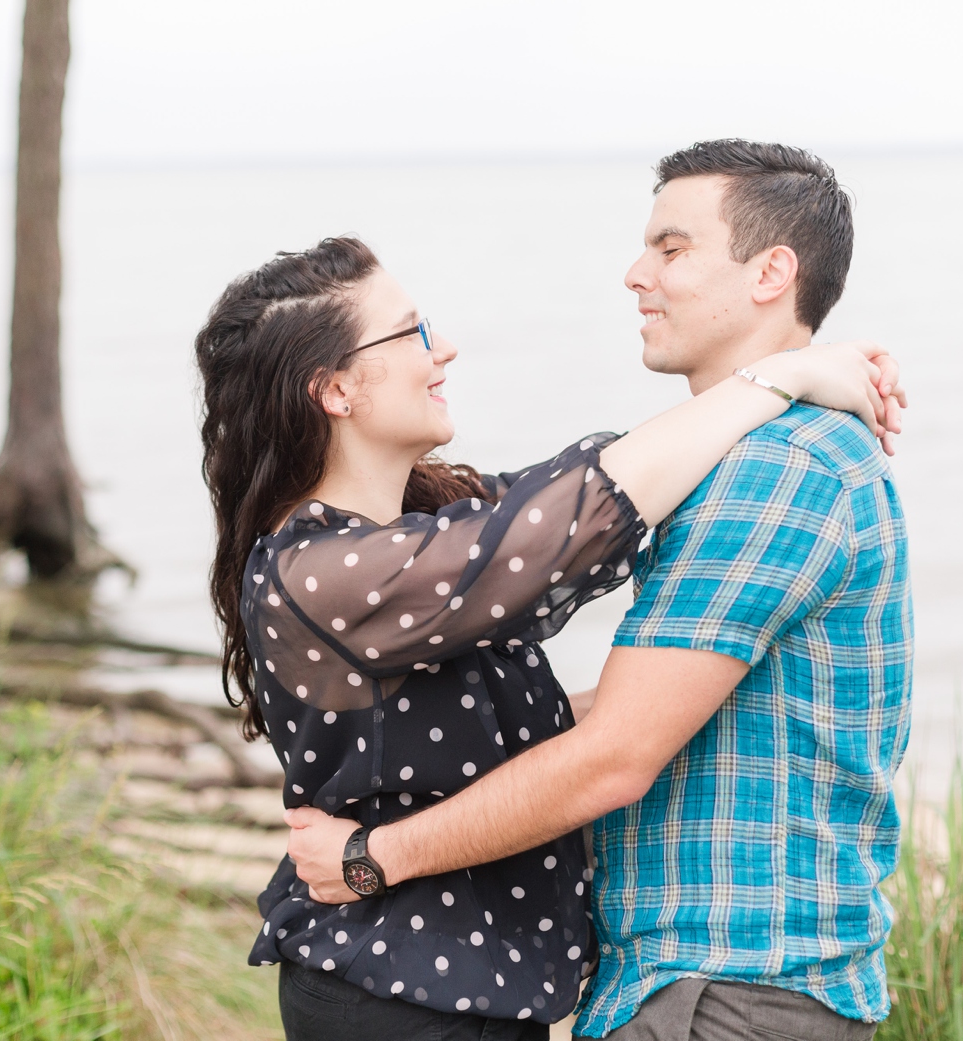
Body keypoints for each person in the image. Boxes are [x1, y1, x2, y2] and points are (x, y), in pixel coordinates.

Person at [195, 224, 900, 1039]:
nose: (444, 348)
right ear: (335, 390)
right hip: (392, 993)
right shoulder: (323, 571)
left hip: (469, 988)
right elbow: (570, 519)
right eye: (413, 332)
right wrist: (778, 374)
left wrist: (677, 690)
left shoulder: (426, 523)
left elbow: (582, 495)